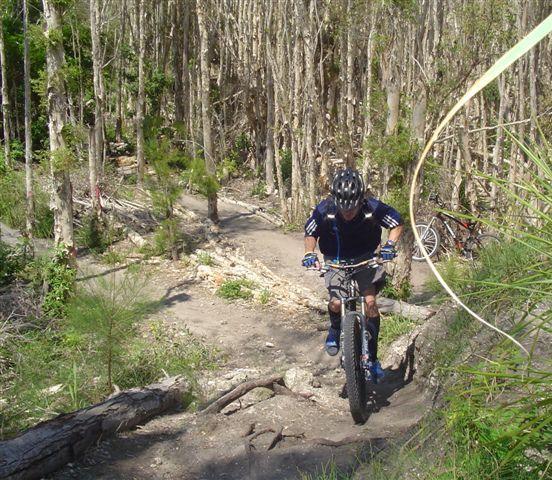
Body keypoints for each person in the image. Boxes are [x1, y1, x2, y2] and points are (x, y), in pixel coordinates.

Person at [302, 168, 403, 381]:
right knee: (336, 303)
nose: (347, 213)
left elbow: (397, 223)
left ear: (360, 200)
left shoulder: (373, 208)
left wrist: (390, 245)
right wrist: (309, 252)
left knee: (370, 303)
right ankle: (336, 328)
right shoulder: (325, 209)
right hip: (336, 260)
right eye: (343, 208)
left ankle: (373, 359)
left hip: (366, 258)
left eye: (353, 208)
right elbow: (310, 232)